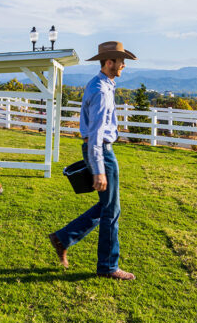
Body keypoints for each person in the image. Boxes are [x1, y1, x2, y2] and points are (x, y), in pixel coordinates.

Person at [48, 41, 137, 280]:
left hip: (98, 150)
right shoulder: (101, 90)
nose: (123, 65)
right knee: (111, 210)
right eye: (121, 61)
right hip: (102, 153)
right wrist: (99, 169)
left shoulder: (101, 85)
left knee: (109, 206)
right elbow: (97, 133)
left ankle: (63, 238)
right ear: (110, 62)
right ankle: (108, 266)